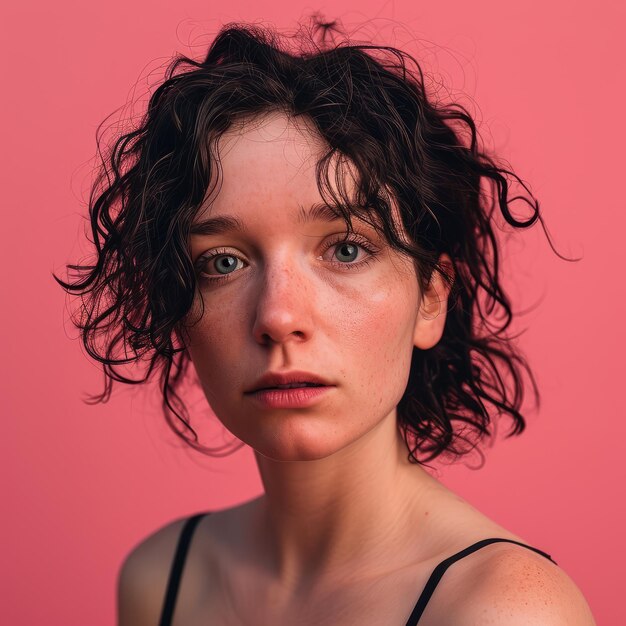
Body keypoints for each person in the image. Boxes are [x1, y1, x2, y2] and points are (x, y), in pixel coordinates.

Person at [55, 16, 596, 626]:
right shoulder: (161, 580)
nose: (279, 316)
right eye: (223, 261)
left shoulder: (502, 610)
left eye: (345, 249)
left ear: (430, 299)